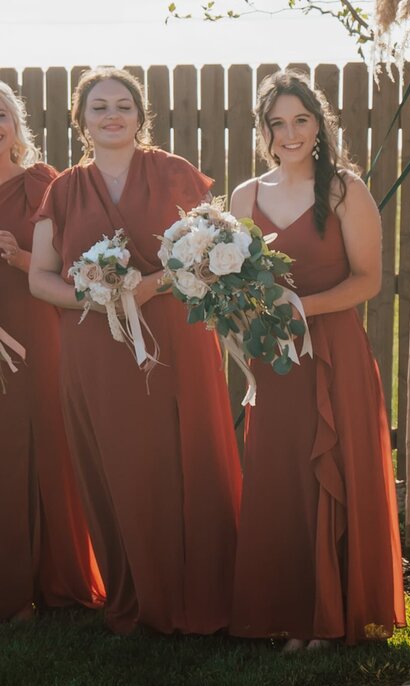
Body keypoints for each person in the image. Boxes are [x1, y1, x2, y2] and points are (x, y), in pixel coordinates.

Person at [28, 67, 241, 635]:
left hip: (175, 336)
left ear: (141, 116)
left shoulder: (173, 172)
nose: (112, 115)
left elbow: (211, 249)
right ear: (81, 120)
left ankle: (203, 593)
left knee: (185, 454)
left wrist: (151, 286)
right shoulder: (64, 190)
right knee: (118, 461)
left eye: (123, 105)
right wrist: (94, 296)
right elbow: (40, 277)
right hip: (95, 350)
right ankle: (134, 594)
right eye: (99, 107)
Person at [229, 71, 404, 651]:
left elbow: (368, 280)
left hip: (334, 353)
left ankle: (334, 614)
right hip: (274, 357)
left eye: (300, 120)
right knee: (281, 472)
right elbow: (238, 280)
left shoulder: (345, 190)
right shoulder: (244, 197)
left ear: (319, 123)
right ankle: (290, 611)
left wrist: (301, 307)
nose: (290, 134)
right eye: (277, 123)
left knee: (332, 467)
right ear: (263, 131)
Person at [0, 80, 102, 621]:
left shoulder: (43, 184)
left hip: (35, 329)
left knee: (43, 443)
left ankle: (52, 578)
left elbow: (71, 263)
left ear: (15, 126)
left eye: (0, 114)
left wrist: (18, 258)